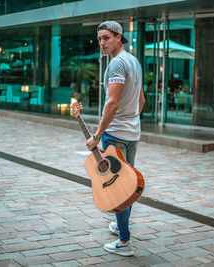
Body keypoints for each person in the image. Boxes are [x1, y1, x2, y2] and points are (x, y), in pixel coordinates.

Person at [86, 20, 145, 257]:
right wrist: (130, 122)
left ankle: (124, 242)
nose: (102, 43)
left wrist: (97, 135)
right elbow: (141, 101)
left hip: (116, 135)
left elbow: (112, 102)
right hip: (132, 134)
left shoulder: (117, 65)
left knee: (118, 188)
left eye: (106, 37)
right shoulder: (134, 61)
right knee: (127, 184)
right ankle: (121, 226)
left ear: (119, 37)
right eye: (99, 38)